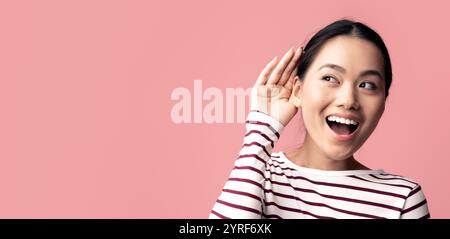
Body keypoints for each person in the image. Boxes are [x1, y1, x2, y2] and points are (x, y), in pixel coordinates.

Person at [209, 19, 430, 219]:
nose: (348, 100)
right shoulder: (257, 175)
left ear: (383, 103)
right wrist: (262, 127)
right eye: (330, 78)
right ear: (297, 91)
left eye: (367, 85)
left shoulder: (402, 199)